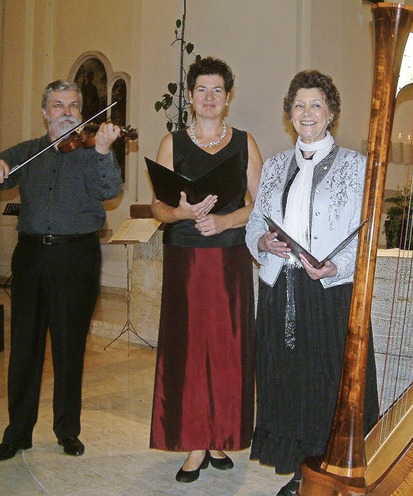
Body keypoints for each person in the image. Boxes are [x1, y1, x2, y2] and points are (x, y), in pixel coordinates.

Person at [245, 70, 379, 496]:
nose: (307, 113)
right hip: (279, 287)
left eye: (316, 104)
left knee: (326, 381)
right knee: (287, 380)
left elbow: (369, 234)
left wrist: (336, 266)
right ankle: (300, 469)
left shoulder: (357, 166)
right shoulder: (275, 165)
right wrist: (263, 241)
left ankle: (327, 468)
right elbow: (253, 224)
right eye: (299, 105)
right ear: (289, 113)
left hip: (328, 292)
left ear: (332, 113)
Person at [149, 56, 262, 484]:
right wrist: (178, 211)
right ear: (190, 96)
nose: (209, 97)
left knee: (227, 347)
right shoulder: (172, 142)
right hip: (185, 258)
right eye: (201, 89)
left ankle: (220, 434)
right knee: (190, 348)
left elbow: (262, 204)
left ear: (228, 97)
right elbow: (159, 207)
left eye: (218, 90)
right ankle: (197, 442)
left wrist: (227, 221)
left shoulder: (245, 143)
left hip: (229, 258)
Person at [0, 79, 123, 459]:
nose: (65, 112)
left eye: (72, 106)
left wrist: (104, 152)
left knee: (70, 347)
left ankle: (67, 430)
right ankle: (18, 431)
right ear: (45, 112)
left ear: (82, 112)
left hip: (77, 257)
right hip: (32, 257)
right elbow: (3, 171)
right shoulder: (28, 151)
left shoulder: (92, 151)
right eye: (57, 105)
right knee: (24, 347)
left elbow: (111, 190)